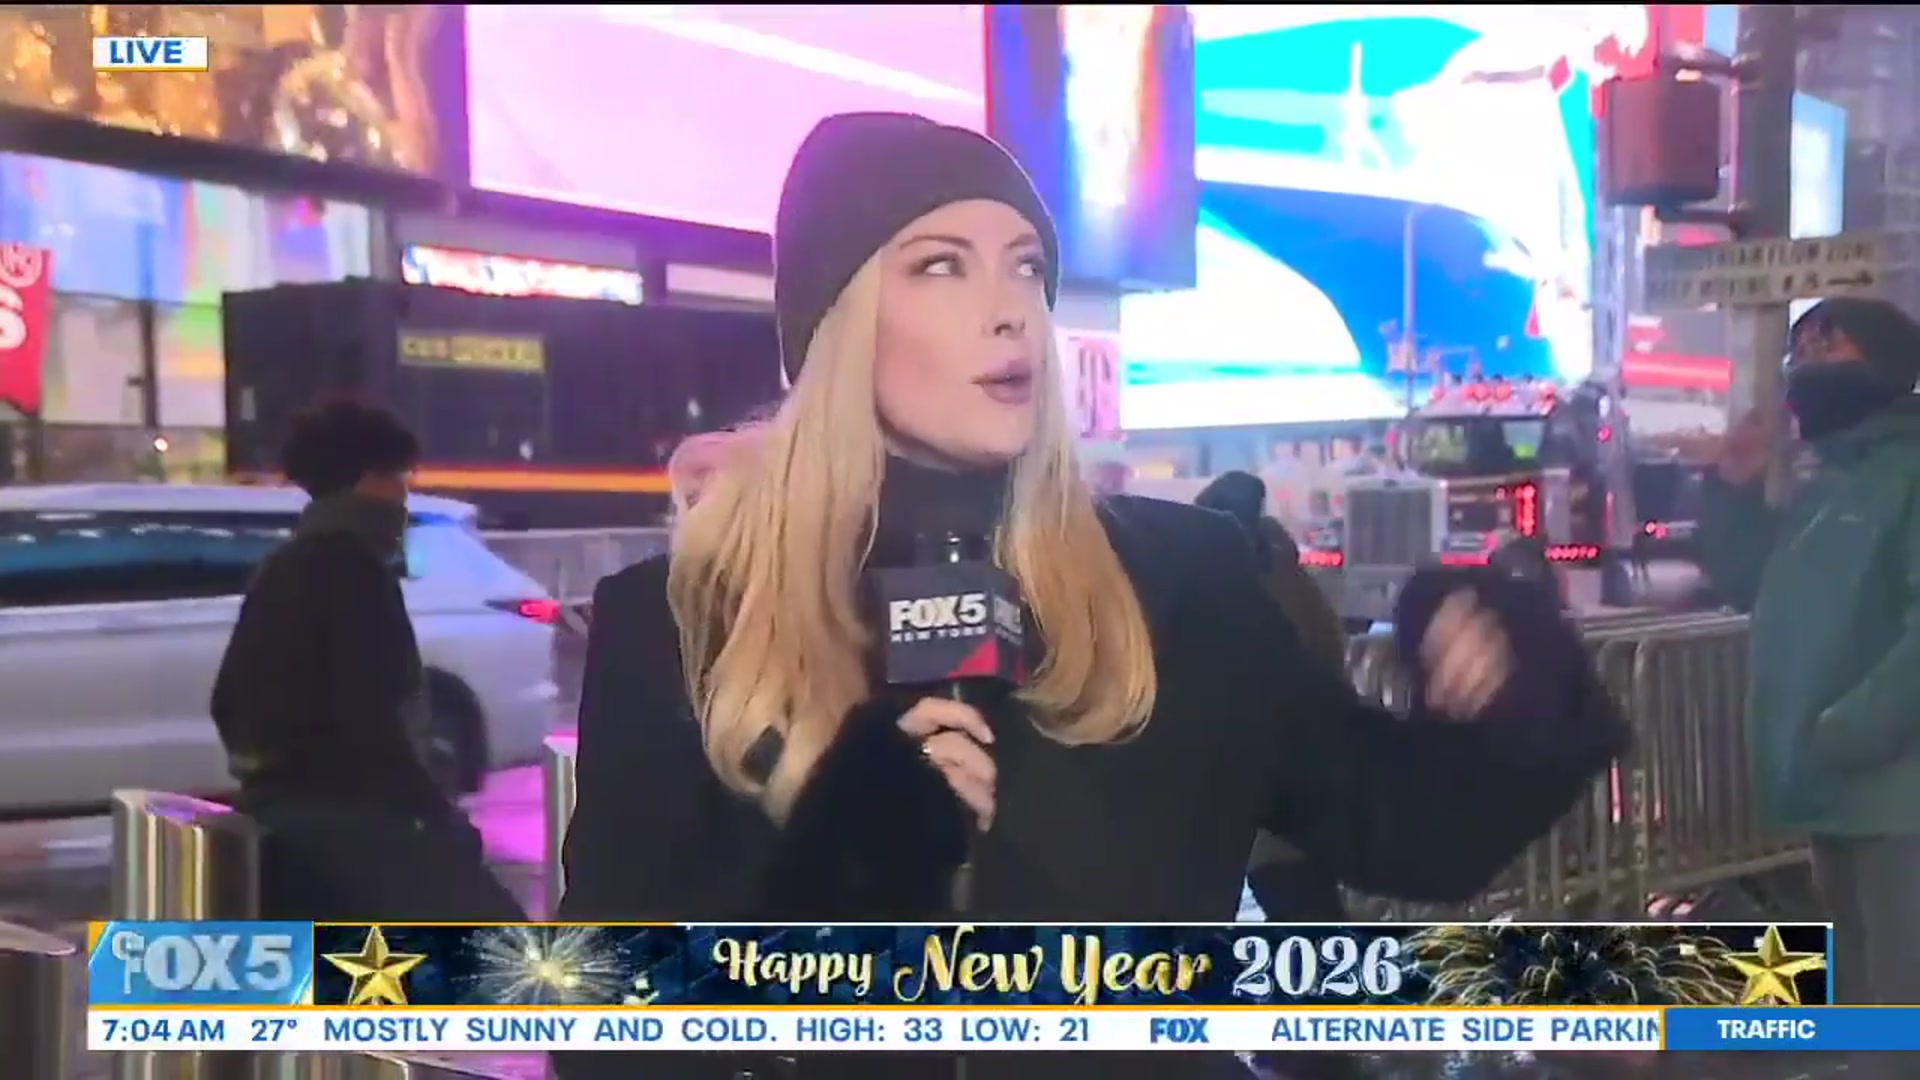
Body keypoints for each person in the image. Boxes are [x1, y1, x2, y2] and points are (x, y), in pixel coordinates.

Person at [557, 112, 1625, 1080]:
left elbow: (1408, 835)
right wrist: (840, 892)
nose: (1008, 311)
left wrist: (1503, 689)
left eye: (1026, 268)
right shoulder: (682, 621)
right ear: (836, 323)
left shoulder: (1186, 577)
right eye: (940, 267)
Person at [209, 399, 524, 922]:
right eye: (398, 479)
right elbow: (374, 719)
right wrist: (432, 815)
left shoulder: (284, 564)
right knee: (505, 960)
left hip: (293, 823)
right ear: (368, 481)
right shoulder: (351, 570)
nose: (404, 497)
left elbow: (229, 699)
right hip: (360, 827)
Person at [1697, 297, 1920, 1016]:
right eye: (1800, 356)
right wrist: (1730, 486)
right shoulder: (1825, 481)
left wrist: (1849, 728)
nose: (1805, 371)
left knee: (1898, 1007)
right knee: (1861, 1006)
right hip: (1834, 794)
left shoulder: (1907, 473)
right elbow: (1751, 579)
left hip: (1896, 797)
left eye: (1830, 350)